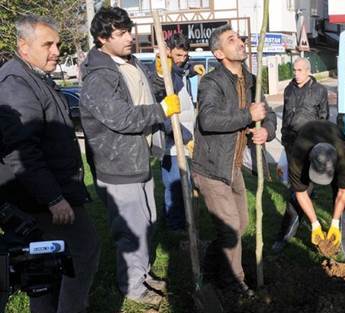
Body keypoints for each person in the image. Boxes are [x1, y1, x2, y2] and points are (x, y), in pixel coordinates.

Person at [80, 7, 180, 305]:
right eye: (121, 34)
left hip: (138, 159)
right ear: (101, 39)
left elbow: (145, 94)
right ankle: (133, 287)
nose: (130, 38)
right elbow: (121, 117)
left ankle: (143, 273)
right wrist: (161, 111)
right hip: (118, 166)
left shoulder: (130, 62)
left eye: (129, 30)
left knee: (147, 222)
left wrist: (163, 79)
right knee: (131, 230)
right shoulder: (98, 76)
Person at [0, 15, 100, 313]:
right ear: (24, 46)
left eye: (57, 43)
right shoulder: (16, 82)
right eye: (48, 44)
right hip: (36, 199)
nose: (56, 50)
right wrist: (53, 198)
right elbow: (21, 151)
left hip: (44, 194)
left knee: (43, 263)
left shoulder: (33, 76)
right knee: (84, 248)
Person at [191, 25, 276, 297]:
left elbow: (267, 112)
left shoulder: (251, 80)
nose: (239, 42)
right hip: (212, 168)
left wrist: (267, 130)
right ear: (218, 53)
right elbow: (209, 120)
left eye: (239, 37)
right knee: (230, 230)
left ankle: (212, 262)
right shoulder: (211, 82)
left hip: (233, 166)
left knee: (240, 225)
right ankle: (234, 283)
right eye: (231, 40)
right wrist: (246, 116)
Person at [273, 121, 345, 260]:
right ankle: (283, 237)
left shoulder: (344, 158)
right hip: (306, 140)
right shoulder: (298, 155)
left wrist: (334, 223)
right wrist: (315, 223)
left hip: (335, 144)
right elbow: (301, 193)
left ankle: (344, 247)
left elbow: (343, 193)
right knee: (295, 198)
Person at [272, 57, 329, 252]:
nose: (296, 73)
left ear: (308, 71)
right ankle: (303, 230)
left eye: (299, 70)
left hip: (311, 148)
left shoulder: (319, 91)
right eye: (294, 70)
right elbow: (287, 116)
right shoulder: (289, 89)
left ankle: (286, 235)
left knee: (300, 192)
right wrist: (283, 138)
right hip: (290, 146)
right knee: (299, 190)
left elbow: (324, 119)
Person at [150, 33, 205, 233]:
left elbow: (182, 69)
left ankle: (183, 221)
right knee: (174, 187)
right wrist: (187, 137)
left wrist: (192, 68)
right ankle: (175, 226)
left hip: (185, 139)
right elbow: (163, 116)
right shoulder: (162, 75)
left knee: (185, 184)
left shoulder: (179, 69)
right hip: (172, 143)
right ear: (169, 52)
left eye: (185, 55)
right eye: (178, 55)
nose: (182, 59)